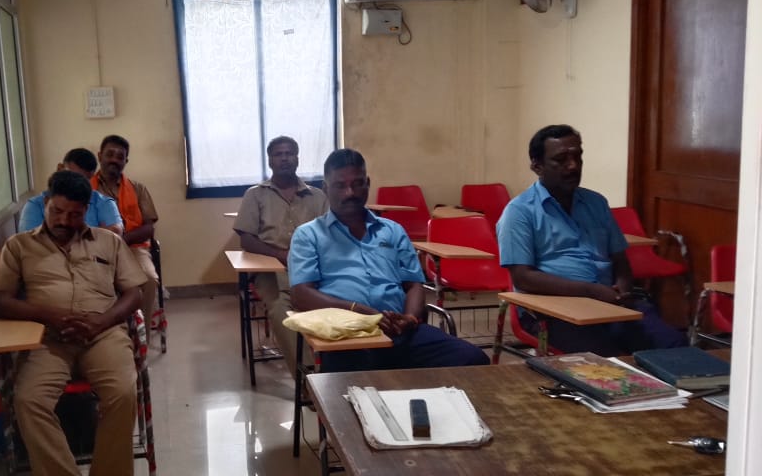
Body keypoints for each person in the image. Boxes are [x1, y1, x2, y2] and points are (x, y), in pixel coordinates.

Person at [0, 171, 147, 476]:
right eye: (57, 211)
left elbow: (134, 293)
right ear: (46, 204)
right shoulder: (19, 246)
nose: (64, 221)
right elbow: (1, 300)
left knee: (122, 393)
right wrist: (48, 316)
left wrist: (100, 322)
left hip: (103, 334)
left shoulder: (108, 242)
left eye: (74, 215)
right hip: (48, 337)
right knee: (29, 401)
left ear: (86, 210)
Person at [289, 148, 489, 372]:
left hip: (399, 330)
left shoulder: (393, 230)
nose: (350, 192)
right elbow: (301, 295)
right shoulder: (309, 235)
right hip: (346, 336)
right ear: (326, 189)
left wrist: (410, 318)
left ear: (368, 184)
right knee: (356, 381)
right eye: (340, 185)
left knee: (473, 359)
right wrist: (358, 311)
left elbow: (413, 285)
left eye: (357, 184)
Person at [496, 124, 687, 356]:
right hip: (554, 311)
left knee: (675, 346)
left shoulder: (596, 203)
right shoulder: (519, 212)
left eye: (577, 157)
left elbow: (620, 258)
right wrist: (591, 291)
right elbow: (523, 277)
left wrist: (623, 287)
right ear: (537, 166)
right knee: (612, 361)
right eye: (561, 160)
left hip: (611, 304)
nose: (573, 166)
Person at [233, 135, 327, 376]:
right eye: (278, 154)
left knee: (341, 298)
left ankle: (337, 369)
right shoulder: (255, 195)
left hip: (314, 267)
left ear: (297, 158)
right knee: (280, 309)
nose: (284, 158)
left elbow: (330, 235)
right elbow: (246, 239)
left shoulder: (317, 196)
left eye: (289, 153)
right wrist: (281, 255)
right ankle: (308, 378)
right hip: (271, 269)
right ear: (270, 160)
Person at [91, 134, 161, 322]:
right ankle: (108, 327)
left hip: (133, 249)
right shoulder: (87, 188)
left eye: (120, 156)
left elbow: (149, 229)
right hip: (95, 249)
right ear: (100, 156)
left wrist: (121, 241)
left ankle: (143, 332)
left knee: (149, 279)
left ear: (126, 161)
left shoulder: (138, 189)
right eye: (109, 154)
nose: (114, 160)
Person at [19, 148, 123, 235]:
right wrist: (94, 236)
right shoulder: (35, 205)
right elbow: (31, 245)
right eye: (70, 175)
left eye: (82, 180)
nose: (74, 184)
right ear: (60, 168)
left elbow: (114, 235)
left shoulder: (103, 202)